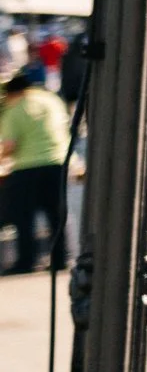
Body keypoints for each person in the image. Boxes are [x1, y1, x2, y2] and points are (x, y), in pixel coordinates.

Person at [0, 65, 71, 274]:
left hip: (27, 167)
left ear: (12, 93)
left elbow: (10, 145)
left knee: (23, 217)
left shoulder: (17, 108)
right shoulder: (52, 100)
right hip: (57, 161)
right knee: (56, 214)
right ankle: (61, 258)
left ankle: (26, 261)